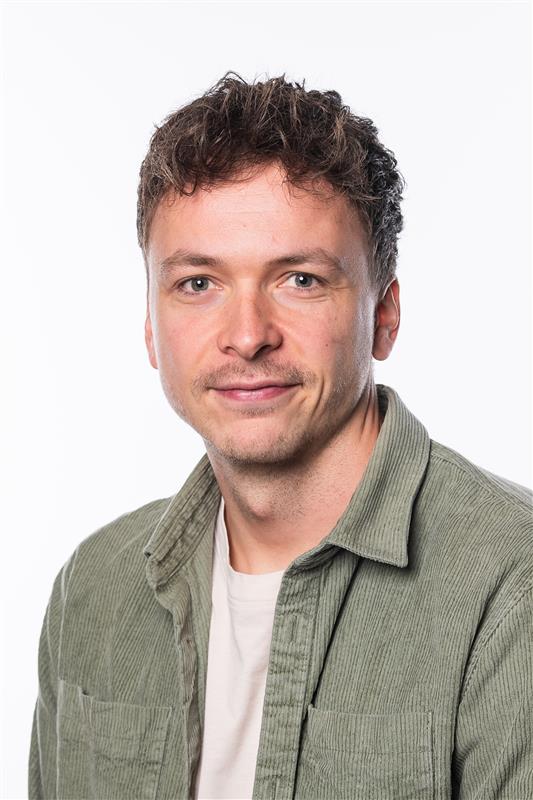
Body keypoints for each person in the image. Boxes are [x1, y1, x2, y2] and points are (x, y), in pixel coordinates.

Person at [29, 72, 532, 800]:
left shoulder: (510, 585)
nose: (246, 336)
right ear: (150, 327)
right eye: (198, 283)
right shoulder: (93, 590)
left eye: (299, 280)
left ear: (384, 316)